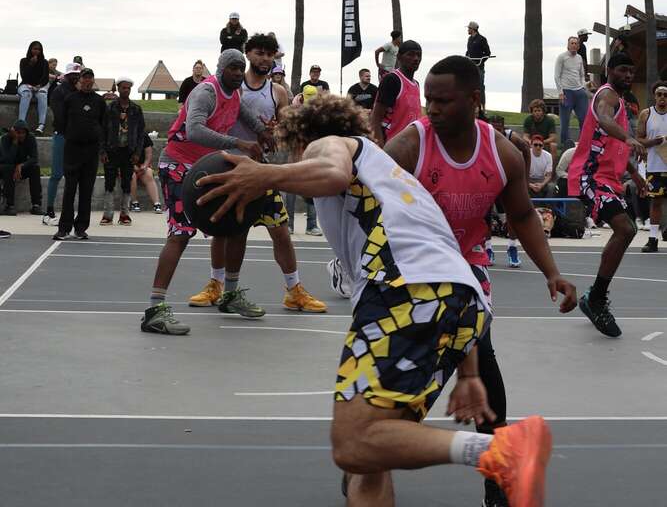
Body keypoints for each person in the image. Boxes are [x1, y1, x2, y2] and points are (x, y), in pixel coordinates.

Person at [195, 94, 554, 507]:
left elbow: (329, 172)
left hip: (400, 288)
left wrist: (265, 175)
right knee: (369, 458)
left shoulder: (332, 144)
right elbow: (445, 270)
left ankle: (498, 452)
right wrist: (468, 371)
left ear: (302, 139)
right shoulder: (393, 177)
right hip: (457, 300)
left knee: (353, 444)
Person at [382, 56, 576, 507]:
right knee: (409, 372)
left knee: (482, 354)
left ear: (475, 100)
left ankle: (498, 472)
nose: (431, 108)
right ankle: (373, 455)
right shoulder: (410, 147)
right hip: (409, 268)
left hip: (467, 264)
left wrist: (552, 273)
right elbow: (366, 208)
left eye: (443, 100)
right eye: (428, 99)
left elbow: (523, 214)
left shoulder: (502, 153)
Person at [140, 48, 274, 336]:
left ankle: (230, 294)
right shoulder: (206, 92)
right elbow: (194, 130)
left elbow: (249, 120)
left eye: (242, 68)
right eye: (234, 68)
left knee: (236, 223)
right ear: (222, 68)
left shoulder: (235, 94)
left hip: (205, 166)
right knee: (180, 234)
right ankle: (154, 309)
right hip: (178, 165)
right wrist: (239, 143)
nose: (239, 73)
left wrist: (265, 133)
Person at [190, 33, 326, 312]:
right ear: (247, 54)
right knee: (227, 232)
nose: (264, 59)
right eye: (259, 53)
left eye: (270, 54)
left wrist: (277, 129)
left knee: (281, 231)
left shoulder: (277, 92)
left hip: (261, 170)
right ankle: (218, 286)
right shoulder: (232, 87)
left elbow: (286, 131)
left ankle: (294, 289)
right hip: (228, 166)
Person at [568, 52, 647, 337]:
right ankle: (596, 299)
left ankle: (596, 296)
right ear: (609, 70)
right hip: (591, 176)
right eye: (623, 70)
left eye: (631, 71)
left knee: (627, 230)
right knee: (625, 228)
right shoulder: (608, 95)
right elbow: (603, 118)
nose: (628, 75)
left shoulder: (621, 104)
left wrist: (634, 173)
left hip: (609, 180)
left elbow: (613, 141)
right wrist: (628, 137)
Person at [53, 68, 107, 241]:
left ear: (93, 82)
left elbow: (104, 126)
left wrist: (101, 148)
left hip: (91, 151)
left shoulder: (99, 102)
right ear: (80, 81)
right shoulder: (70, 99)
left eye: (90, 81)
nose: (87, 83)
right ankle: (63, 228)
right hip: (72, 150)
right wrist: (71, 135)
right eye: (84, 80)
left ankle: (81, 228)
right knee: (70, 189)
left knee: (86, 191)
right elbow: (61, 122)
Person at [100, 78, 146, 225]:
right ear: (118, 89)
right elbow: (102, 131)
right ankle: (108, 214)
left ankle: (125, 214)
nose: (126, 90)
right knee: (109, 182)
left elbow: (140, 134)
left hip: (129, 151)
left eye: (128, 88)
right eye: (123, 88)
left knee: (126, 182)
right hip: (112, 149)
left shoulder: (136, 109)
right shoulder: (110, 108)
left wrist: (137, 152)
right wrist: (102, 151)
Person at [43, 62, 81, 225]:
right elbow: (60, 116)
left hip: (75, 138)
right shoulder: (59, 91)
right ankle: (48, 212)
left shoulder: (78, 92)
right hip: (62, 135)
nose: (75, 77)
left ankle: (67, 212)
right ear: (66, 75)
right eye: (72, 74)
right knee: (57, 174)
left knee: (73, 176)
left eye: (77, 74)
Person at [370, 40, 422, 144]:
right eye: (410, 54)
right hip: (390, 146)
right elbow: (375, 117)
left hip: (408, 148)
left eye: (419, 55)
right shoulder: (392, 80)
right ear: (399, 57)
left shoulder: (416, 84)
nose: (416, 58)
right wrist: (381, 148)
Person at [637, 82, 667, 253]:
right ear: (654, 96)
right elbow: (638, 138)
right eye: (659, 94)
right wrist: (653, 142)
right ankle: (653, 239)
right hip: (655, 164)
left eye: (665, 94)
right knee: (655, 202)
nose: (662, 97)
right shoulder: (646, 114)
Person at [0, 120, 42, 215]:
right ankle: (9, 205)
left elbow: (34, 158)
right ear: (13, 133)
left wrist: (22, 165)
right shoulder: (5, 139)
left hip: (19, 168)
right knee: (8, 167)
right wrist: (15, 142)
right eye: (18, 133)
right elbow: (8, 159)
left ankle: (36, 205)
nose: (21, 135)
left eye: (23, 133)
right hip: (4, 168)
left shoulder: (30, 138)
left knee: (35, 168)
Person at [554, 36, 588, 145]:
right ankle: (565, 145)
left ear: (578, 46)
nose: (573, 45)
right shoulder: (562, 57)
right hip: (566, 92)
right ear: (568, 45)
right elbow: (556, 76)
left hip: (579, 92)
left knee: (584, 119)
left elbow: (582, 75)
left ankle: (584, 144)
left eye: (575, 43)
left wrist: (582, 86)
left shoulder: (579, 58)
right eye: (571, 43)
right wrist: (560, 92)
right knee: (565, 122)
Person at [17, 40, 50, 133]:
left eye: (39, 49)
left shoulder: (44, 62)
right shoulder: (24, 61)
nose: (37, 51)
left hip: (39, 86)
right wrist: (31, 64)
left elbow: (45, 78)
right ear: (30, 49)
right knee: (26, 94)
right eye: (35, 49)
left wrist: (39, 86)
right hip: (25, 85)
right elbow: (24, 76)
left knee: (42, 96)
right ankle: (21, 123)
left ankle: (41, 125)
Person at [130, 132, 162, 213]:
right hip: (125, 165)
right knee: (131, 175)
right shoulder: (123, 135)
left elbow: (148, 154)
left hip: (141, 165)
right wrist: (132, 166)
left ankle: (156, 203)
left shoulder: (143, 135)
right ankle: (134, 202)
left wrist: (145, 165)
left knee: (148, 174)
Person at [523, 99, 557, 172]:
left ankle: (552, 172)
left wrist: (542, 142)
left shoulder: (549, 120)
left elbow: (553, 137)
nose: (537, 113)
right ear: (532, 112)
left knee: (553, 146)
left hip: (545, 142)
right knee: (523, 144)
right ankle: (525, 172)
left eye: (539, 110)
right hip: (532, 142)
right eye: (535, 111)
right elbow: (525, 136)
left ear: (543, 111)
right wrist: (529, 141)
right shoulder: (528, 120)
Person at [465, 22, 491, 109]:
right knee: (470, 86)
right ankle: (472, 105)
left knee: (480, 87)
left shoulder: (482, 39)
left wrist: (481, 61)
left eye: (469, 28)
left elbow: (487, 53)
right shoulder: (469, 39)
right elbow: (468, 51)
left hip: (479, 67)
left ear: (473, 29)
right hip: (470, 66)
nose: (468, 30)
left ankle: (483, 107)